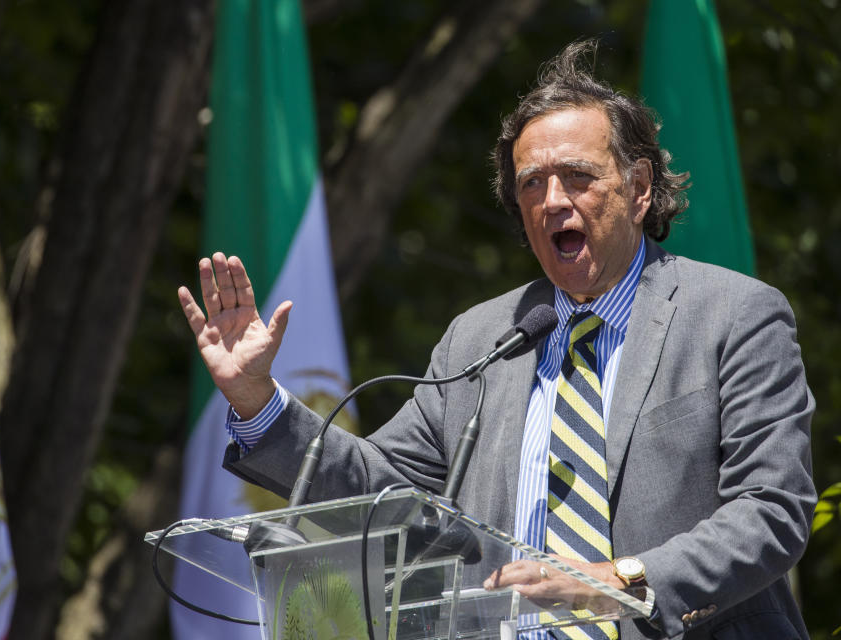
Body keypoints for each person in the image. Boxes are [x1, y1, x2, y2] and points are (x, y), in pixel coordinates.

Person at [178, 40, 815, 640]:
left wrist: (615, 581)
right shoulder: (481, 340)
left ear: (640, 188)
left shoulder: (734, 315)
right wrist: (256, 398)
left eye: (578, 176)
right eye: (531, 183)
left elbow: (771, 510)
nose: (551, 201)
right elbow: (381, 495)